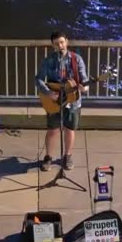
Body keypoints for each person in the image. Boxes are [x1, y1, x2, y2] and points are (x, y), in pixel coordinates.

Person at [35, 31, 89, 171]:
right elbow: (38, 79)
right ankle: (48, 157)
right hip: (54, 100)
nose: (60, 45)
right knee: (53, 130)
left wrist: (85, 86)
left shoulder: (76, 59)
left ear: (67, 42)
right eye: (57, 43)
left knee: (69, 129)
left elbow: (83, 78)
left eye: (62, 42)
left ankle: (67, 156)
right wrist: (48, 93)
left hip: (72, 100)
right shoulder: (48, 61)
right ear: (53, 46)